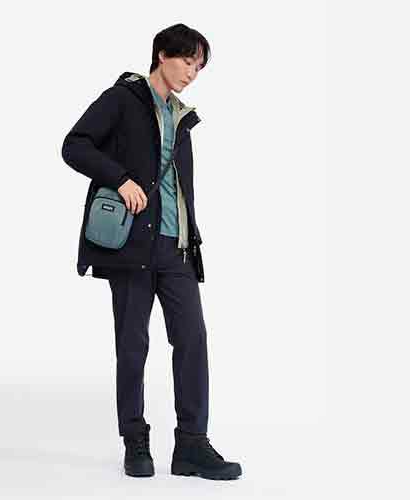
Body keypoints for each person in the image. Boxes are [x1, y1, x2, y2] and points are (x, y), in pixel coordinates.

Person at [61, 23, 242, 480]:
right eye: (187, 61)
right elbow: (74, 145)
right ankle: (134, 440)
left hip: (177, 249)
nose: (192, 73)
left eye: (199, 67)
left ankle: (192, 444)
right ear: (163, 54)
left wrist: (191, 235)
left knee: (192, 340)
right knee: (133, 345)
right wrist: (120, 179)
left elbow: (177, 188)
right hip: (133, 248)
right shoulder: (123, 99)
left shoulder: (182, 117)